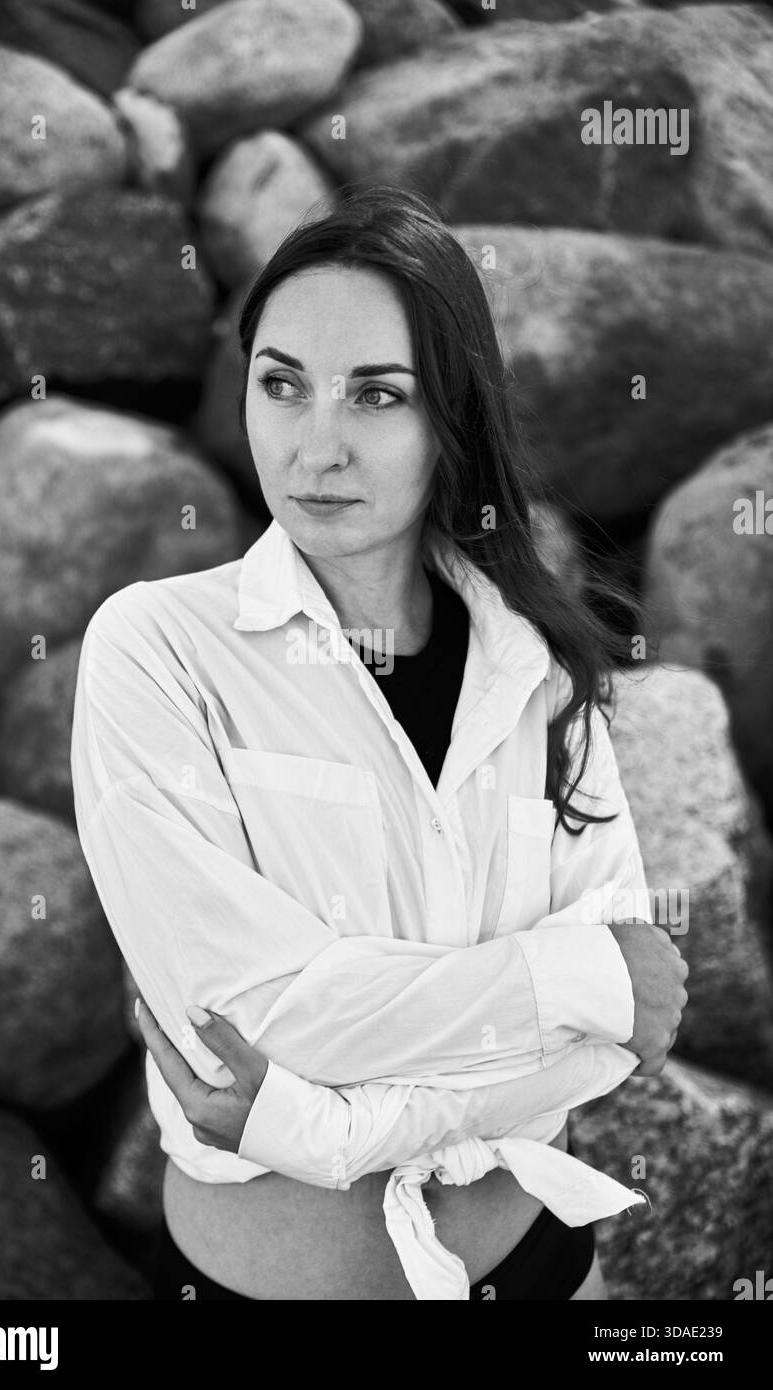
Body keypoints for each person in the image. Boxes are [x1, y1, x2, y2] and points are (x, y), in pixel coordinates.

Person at [70, 183, 688, 1301]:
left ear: (449, 413)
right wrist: (562, 975)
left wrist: (307, 1122)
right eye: (282, 385)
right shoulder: (157, 648)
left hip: (537, 1265)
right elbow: (246, 1025)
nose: (318, 447)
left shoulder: (542, 667)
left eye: (376, 395)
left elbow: (604, 1049)